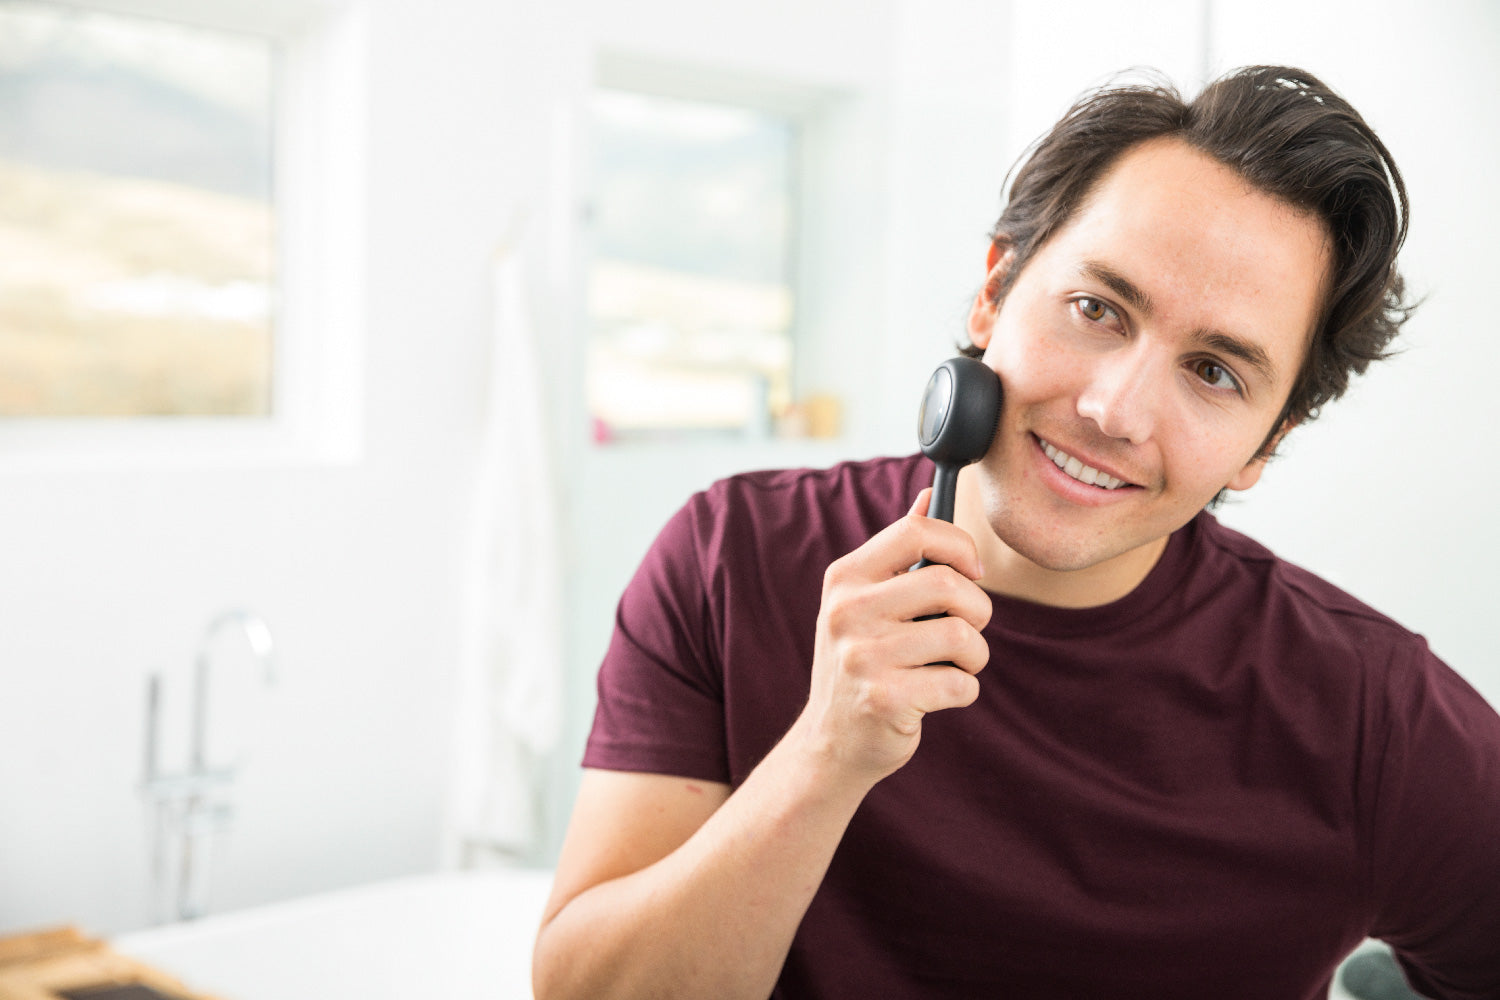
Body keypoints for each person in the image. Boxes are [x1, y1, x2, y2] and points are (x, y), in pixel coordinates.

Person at [531, 65, 1500, 1000]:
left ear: (1265, 444)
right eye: (1095, 308)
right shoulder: (729, 557)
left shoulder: (1373, 713)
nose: (1114, 408)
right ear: (994, 290)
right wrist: (825, 756)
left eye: (1214, 373)